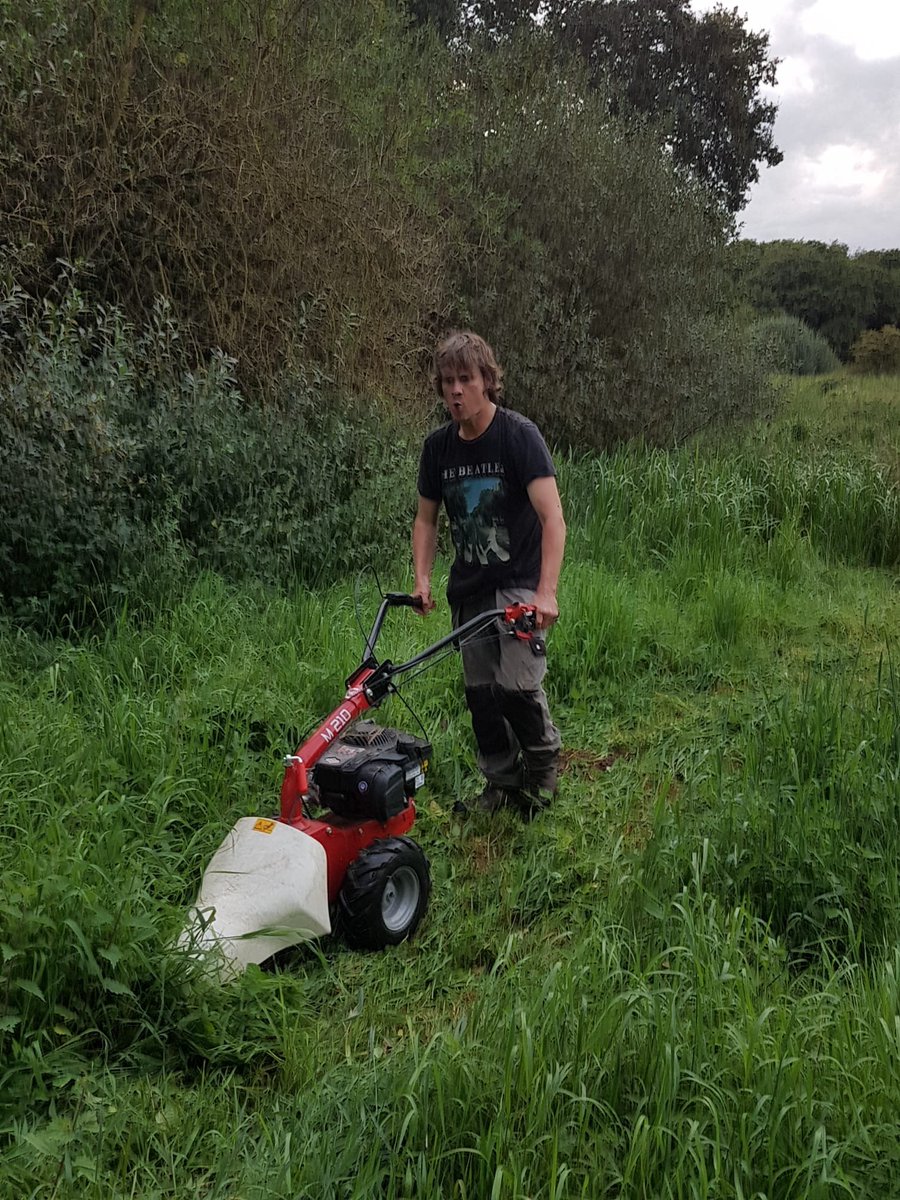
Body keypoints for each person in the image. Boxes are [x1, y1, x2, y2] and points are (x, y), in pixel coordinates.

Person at [412, 330, 566, 816]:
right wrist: (422, 579)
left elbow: (552, 518)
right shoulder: (438, 449)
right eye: (446, 382)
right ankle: (500, 783)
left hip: (518, 583)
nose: (455, 391)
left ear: (487, 382)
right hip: (469, 589)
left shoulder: (518, 436)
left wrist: (547, 592)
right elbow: (425, 519)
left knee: (517, 688)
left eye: (465, 379)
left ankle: (542, 773)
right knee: (480, 696)